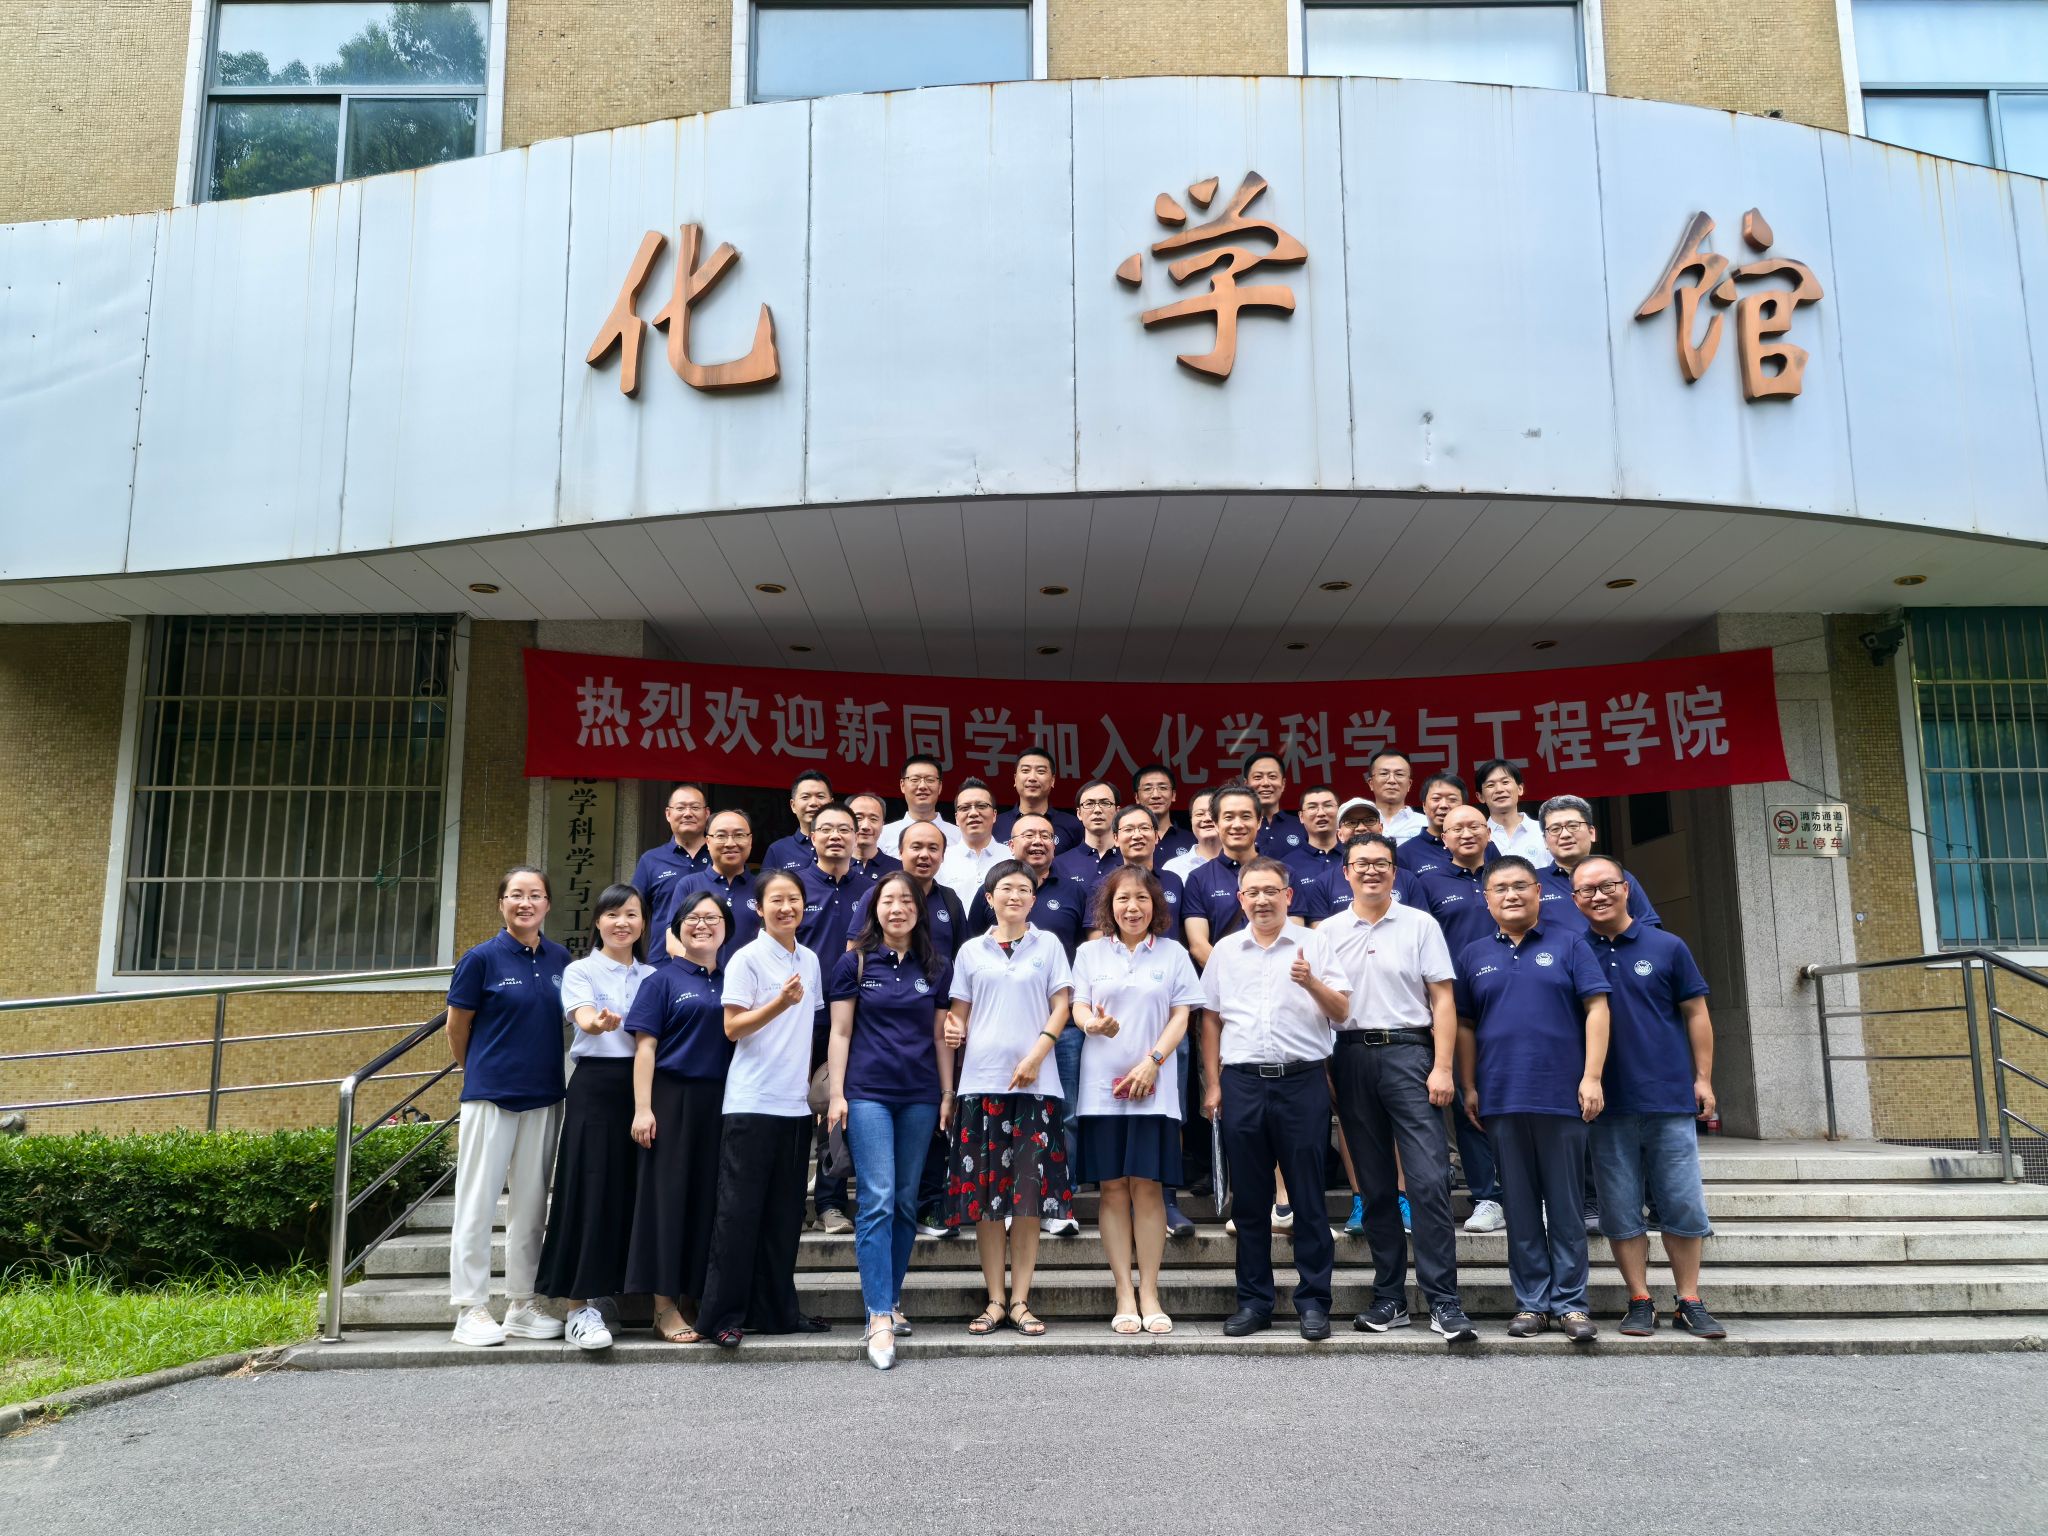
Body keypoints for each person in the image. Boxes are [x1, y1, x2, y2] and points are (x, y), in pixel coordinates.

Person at [1318, 836, 1479, 1344]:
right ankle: (1389, 1297)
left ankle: (1444, 1301)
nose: (1371, 871)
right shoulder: (1326, 932)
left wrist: (1443, 1067)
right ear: (1346, 872)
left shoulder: (1419, 924)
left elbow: (1443, 1000)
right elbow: (1317, 1005)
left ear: (1394, 871)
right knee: (1374, 1186)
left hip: (1410, 1053)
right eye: (1361, 863)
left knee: (1428, 1181)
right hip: (1349, 1056)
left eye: (1381, 863)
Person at [1454, 856, 1611, 1343]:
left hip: (1561, 1093)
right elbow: (1464, 1025)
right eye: (1500, 888)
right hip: (1501, 1094)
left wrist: (1592, 1077)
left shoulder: (1571, 943)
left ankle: (1571, 1305)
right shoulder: (1473, 954)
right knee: (1519, 1207)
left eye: (1521, 886)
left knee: (1565, 1206)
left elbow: (1597, 1007)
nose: (1511, 895)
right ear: (1487, 899)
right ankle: (1531, 1304)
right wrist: (1469, 1085)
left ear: (1539, 892)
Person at [1573, 856, 1726, 1339]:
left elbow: (1696, 1013)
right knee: (1619, 1211)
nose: (1598, 896)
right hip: (1606, 1105)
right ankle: (1639, 1299)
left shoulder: (1667, 946)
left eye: (1607, 885)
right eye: (1586, 890)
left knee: (1682, 1205)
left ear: (1626, 889)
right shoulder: (1573, 950)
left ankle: (1689, 1300)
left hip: (1668, 1097)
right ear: (1575, 900)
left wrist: (1703, 1079)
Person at [1200, 857, 1350, 1339]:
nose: (1262, 900)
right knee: (1249, 1201)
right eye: (1252, 892)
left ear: (1288, 896)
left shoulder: (1314, 943)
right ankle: (1254, 1302)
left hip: (1301, 1081)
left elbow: (1342, 1011)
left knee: (1307, 1195)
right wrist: (1213, 1084)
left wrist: (1311, 982)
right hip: (1242, 1082)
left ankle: (1314, 1303)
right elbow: (1211, 1020)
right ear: (1240, 899)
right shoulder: (1226, 951)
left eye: (1271, 891)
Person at [826, 871, 954, 1369]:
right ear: (874, 910)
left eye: (906, 901)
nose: (897, 908)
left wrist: (946, 1093)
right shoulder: (854, 962)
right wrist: (837, 1095)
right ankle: (878, 1313)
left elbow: (941, 1035)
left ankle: (891, 1297)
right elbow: (840, 1033)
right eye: (887, 901)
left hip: (920, 1095)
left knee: (904, 1202)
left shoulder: (936, 966)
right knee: (877, 1199)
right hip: (867, 1094)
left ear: (919, 911)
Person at [944, 860, 1075, 1337]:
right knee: (985, 1200)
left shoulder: (1049, 945)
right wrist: (953, 1031)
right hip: (981, 1084)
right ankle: (994, 1299)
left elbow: (1062, 1006)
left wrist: (1037, 1055)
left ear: (1034, 899)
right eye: (1005, 888)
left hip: (1035, 1087)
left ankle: (1020, 1299)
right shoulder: (970, 951)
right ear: (989, 898)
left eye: (1023, 889)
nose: (1014, 895)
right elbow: (958, 1014)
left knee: (1027, 1197)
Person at [698, 870, 828, 1348]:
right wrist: (779, 1002)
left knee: (784, 1216)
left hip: (794, 1106)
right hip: (751, 1102)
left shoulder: (809, 959)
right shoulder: (745, 958)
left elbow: (808, 1029)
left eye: (794, 899)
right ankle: (722, 1317)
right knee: (737, 1215)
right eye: (776, 900)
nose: (786, 908)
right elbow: (733, 1028)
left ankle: (777, 1312)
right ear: (758, 908)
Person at [1071, 867, 1204, 1334]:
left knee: (1147, 1186)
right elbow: (1078, 1005)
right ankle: (1123, 1292)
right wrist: (1091, 1024)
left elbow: (1182, 1015)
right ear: (1109, 906)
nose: (1133, 907)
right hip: (1101, 1087)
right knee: (1112, 1188)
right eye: (1123, 898)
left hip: (1154, 1086)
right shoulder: (1089, 953)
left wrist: (1153, 1061)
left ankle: (1149, 1291)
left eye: (1142, 899)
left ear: (1156, 905)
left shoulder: (1173, 953)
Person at [445, 866, 572, 1348]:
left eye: (535, 895)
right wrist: (479, 1070)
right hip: (491, 1096)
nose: (526, 903)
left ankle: (522, 1304)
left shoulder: (560, 959)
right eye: (516, 895)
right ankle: (470, 1308)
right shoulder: (480, 959)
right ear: (501, 903)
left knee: (531, 1205)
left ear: (547, 904)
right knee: (476, 1203)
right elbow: (457, 1026)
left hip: (545, 1095)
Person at [535, 883, 656, 1352]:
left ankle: (614, 1293)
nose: (622, 922)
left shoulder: (653, 975)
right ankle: (577, 1308)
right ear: (598, 922)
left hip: (648, 1087)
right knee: (589, 1189)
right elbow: (583, 1017)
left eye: (631, 914)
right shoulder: (580, 970)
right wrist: (597, 1023)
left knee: (634, 1191)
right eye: (612, 914)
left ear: (643, 923)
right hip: (597, 1087)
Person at [965, 812, 1090, 1234]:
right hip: (992, 1049)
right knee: (997, 1133)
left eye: (1045, 835)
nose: (1015, 896)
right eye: (1027, 834)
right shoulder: (979, 928)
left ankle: (1055, 1206)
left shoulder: (1061, 914)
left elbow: (1071, 983)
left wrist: (1041, 1049)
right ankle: (1001, 1206)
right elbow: (964, 994)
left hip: (1052, 1040)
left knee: (1056, 1123)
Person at [622, 890, 734, 1344]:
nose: (702, 925)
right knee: (666, 1202)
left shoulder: (733, 979)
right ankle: (663, 1306)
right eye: (693, 918)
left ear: (727, 928)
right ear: (677, 929)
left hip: (721, 1101)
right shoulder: (661, 980)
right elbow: (644, 1049)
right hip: (671, 1099)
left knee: (707, 1201)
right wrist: (642, 1108)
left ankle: (693, 1298)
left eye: (712, 918)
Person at [1098, 804, 1195, 1237]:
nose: (1137, 835)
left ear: (1159, 835)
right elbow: (1099, 941)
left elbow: (1182, 937)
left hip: (1166, 1008)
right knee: (1116, 1113)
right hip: (1116, 1016)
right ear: (1115, 836)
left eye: (1145, 828)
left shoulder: (1174, 880)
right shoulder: (1106, 884)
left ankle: (1166, 1199)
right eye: (1128, 828)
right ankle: (1122, 1194)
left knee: (1168, 1107)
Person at [1420, 802, 1509, 1236]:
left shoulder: (1510, 873)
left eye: (1475, 825)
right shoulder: (1429, 883)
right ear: (1443, 837)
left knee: (1516, 1095)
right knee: (1467, 1099)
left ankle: (1530, 1191)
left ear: (1489, 832)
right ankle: (1487, 1195)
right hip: (1456, 1005)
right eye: (1456, 828)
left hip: (1512, 997)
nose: (1467, 833)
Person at [799, 803, 866, 1235]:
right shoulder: (795, 887)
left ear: (858, 836)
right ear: (812, 836)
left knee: (835, 1108)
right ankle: (791, 1202)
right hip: (797, 1017)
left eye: (844, 829)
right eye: (826, 829)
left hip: (852, 1017)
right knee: (794, 1108)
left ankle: (830, 1204)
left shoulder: (873, 889)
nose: (835, 836)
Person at [1534, 794, 1662, 936]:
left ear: (1592, 833)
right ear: (1545, 841)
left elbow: (1650, 930)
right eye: (1555, 829)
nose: (1565, 835)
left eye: (1573, 826)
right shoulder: (1532, 882)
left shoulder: (1620, 877)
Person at [850, 820, 965, 962]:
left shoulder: (950, 899)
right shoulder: (876, 895)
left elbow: (964, 958)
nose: (924, 855)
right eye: (916, 847)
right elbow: (853, 957)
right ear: (900, 852)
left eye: (933, 848)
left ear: (942, 856)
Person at [664, 808, 759, 955]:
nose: (730, 843)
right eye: (721, 836)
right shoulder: (689, 885)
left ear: (750, 840)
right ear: (708, 842)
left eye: (739, 835)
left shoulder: (763, 887)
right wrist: (702, 968)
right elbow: (673, 942)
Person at [633, 782, 711, 917]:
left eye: (695, 807)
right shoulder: (650, 860)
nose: (688, 813)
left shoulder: (721, 856)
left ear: (707, 813)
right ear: (668, 814)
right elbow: (634, 911)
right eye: (680, 808)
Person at [995, 747, 1084, 853]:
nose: (1032, 778)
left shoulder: (1072, 825)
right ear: (1015, 779)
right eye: (1025, 770)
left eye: (1041, 771)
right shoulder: (995, 824)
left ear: (1052, 780)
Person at [938, 777, 1006, 909]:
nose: (973, 813)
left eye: (982, 806)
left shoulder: (1011, 857)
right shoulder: (941, 860)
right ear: (956, 818)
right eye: (965, 808)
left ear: (994, 815)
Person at [879, 754, 959, 855]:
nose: (922, 786)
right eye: (915, 779)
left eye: (930, 780)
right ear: (902, 785)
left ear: (940, 786)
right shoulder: (882, 835)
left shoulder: (959, 836)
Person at [1477, 758, 1551, 867]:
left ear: (1520, 789)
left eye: (1505, 782)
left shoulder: (1544, 830)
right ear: (1480, 796)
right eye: (1490, 785)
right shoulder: (1477, 837)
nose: (1499, 789)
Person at [1395, 772, 1467, 878]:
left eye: (1452, 799)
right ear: (1424, 805)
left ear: (1463, 806)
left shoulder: (1481, 845)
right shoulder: (1404, 853)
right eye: (1436, 799)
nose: (1443, 805)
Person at [1053, 779, 1123, 885]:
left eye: (1105, 803)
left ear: (1117, 812)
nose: (1097, 810)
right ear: (1079, 813)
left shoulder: (1131, 859)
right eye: (1089, 804)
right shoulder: (1059, 864)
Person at [761, 772, 834, 872]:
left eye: (820, 796)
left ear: (831, 804)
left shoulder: (843, 844)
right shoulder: (778, 850)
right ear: (793, 805)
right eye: (805, 797)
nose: (813, 803)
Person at [1243, 751, 1307, 859]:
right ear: (1246, 785)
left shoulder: (1303, 825)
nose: (1265, 783)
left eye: (1272, 776)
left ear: (1283, 784)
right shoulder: (1237, 826)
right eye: (1258, 777)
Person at [1282, 784, 1348, 887]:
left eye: (1328, 805)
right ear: (1301, 817)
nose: (1321, 813)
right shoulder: (1287, 865)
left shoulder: (1354, 856)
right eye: (1312, 807)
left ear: (1339, 812)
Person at [1135, 762, 1195, 862]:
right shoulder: (1130, 840)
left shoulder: (1192, 840)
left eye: (1163, 788)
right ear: (1137, 797)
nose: (1156, 795)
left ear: (1173, 795)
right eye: (1147, 789)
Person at [1367, 750, 1427, 844]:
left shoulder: (1425, 824)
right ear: (1371, 783)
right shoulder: (1359, 824)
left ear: (1409, 784)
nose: (1392, 780)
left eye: (1399, 774)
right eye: (1384, 773)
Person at [1162, 789, 1220, 882]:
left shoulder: (1241, 862)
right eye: (1200, 814)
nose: (1207, 818)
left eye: (1213, 813)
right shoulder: (1173, 868)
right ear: (1191, 820)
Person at [847, 792, 904, 880]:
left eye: (873, 819)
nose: (866, 826)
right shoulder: (833, 865)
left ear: (882, 825)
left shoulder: (899, 870)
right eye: (858, 818)